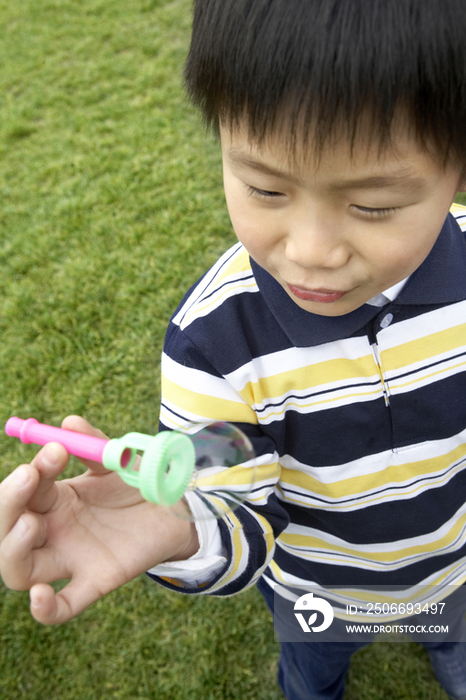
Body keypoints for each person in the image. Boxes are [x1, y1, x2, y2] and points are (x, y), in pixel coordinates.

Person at [2, 0, 466, 697]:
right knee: (313, 680)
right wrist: (182, 528)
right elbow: (230, 495)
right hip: (318, 595)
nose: (311, 253)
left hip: (455, 572)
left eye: (373, 205)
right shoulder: (216, 346)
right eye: (265, 187)